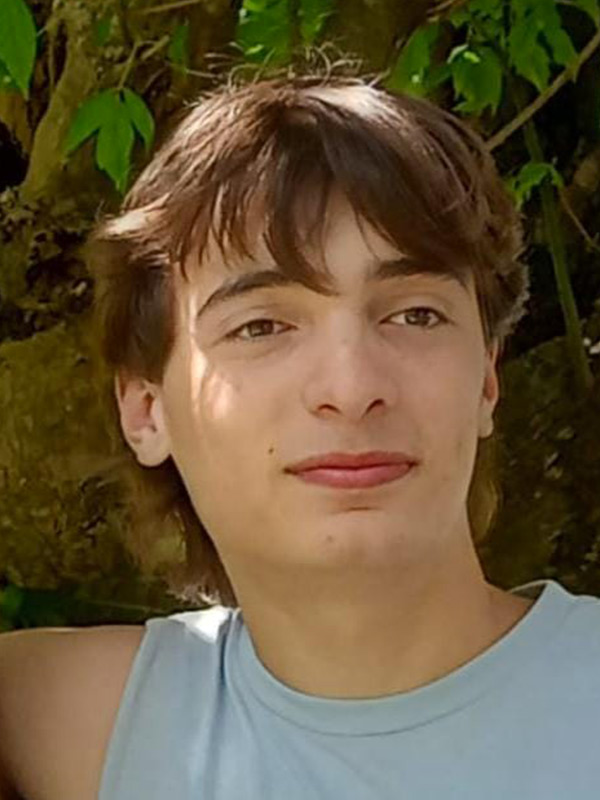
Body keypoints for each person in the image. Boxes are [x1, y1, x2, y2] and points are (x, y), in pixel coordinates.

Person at [1, 73, 600, 800]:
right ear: (147, 411)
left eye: (415, 314)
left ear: (486, 381)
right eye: (261, 326)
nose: (351, 388)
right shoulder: (67, 720)